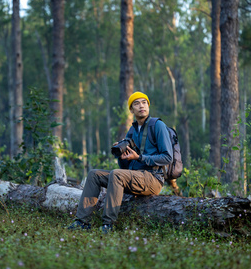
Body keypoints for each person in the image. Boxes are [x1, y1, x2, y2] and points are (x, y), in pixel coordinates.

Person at [67, 91, 173, 233]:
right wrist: (121, 157)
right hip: (134, 176)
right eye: (136, 103)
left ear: (148, 106)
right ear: (131, 109)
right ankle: (82, 221)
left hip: (153, 178)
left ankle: (107, 225)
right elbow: (125, 167)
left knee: (117, 174)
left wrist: (139, 158)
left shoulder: (158, 126)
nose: (141, 106)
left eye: (144, 102)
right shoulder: (132, 130)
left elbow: (167, 157)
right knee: (94, 174)